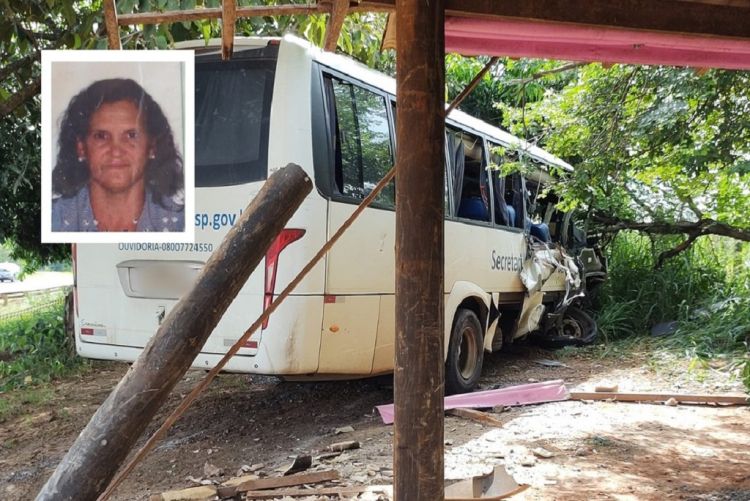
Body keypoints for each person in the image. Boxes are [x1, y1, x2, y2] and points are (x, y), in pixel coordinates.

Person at [52, 78, 184, 232]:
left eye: (131, 135)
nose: (116, 151)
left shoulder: (181, 223)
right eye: (101, 136)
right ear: (81, 147)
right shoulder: (55, 219)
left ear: (152, 146)